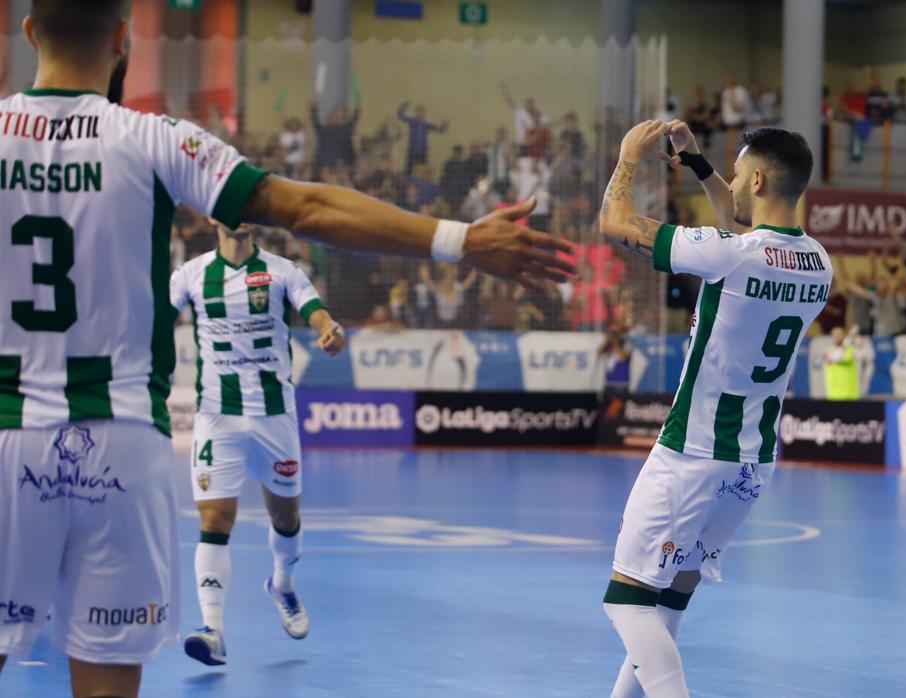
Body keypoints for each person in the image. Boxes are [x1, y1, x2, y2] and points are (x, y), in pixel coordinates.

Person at [0, 3, 573, 695]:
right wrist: (460, 240)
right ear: (124, 38)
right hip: (121, 448)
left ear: (29, 32)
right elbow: (305, 208)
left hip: (7, 441)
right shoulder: (155, 140)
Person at [598, 119, 830, 698]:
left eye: (734, 172)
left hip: (692, 452)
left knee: (627, 600)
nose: (728, 180)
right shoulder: (820, 266)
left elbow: (615, 223)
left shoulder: (726, 255)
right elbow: (746, 227)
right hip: (753, 463)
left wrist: (629, 157)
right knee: (671, 598)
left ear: (755, 178)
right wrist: (698, 163)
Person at [170, 221, 345, 665]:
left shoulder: (282, 271)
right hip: (216, 416)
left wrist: (329, 329)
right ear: (213, 217)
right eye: (230, 205)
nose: (241, 213)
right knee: (214, 519)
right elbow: (155, 321)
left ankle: (282, 585)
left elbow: (316, 311)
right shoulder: (191, 275)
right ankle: (213, 629)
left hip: (275, 417)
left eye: (247, 205)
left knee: (286, 519)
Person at [396, 102, 446, 174]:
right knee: (408, 169)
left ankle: (421, 182)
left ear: (423, 112)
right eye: (418, 111)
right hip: (412, 149)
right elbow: (400, 116)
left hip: (422, 150)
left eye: (421, 111)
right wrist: (404, 105)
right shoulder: (412, 120)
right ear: (416, 112)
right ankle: (408, 182)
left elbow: (439, 130)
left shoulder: (426, 123)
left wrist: (443, 127)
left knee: (423, 170)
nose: (419, 113)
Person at [823, 326, 859, 400]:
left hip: (850, 396)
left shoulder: (850, 350)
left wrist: (848, 341)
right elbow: (833, 358)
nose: (837, 337)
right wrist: (848, 339)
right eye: (834, 335)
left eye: (839, 335)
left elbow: (841, 357)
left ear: (844, 336)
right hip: (833, 396)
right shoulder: (828, 351)